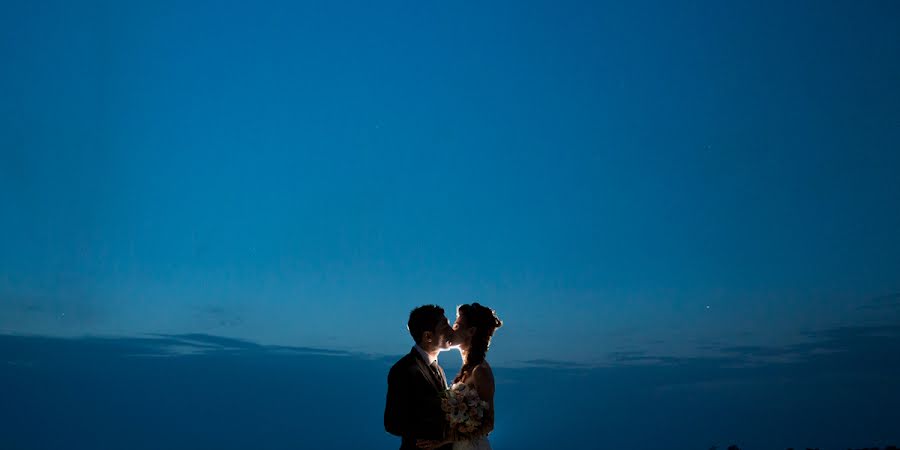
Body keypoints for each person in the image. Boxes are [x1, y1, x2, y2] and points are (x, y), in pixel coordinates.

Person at [417, 303, 502, 450]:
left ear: (471, 331)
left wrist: (446, 439)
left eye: (456, 326)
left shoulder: (480, 371)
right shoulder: (467, 368)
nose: (450, 330)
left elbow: (489, 424)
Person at [384, 305, 455, 450]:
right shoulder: (403, 369)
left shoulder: (439, 369)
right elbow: (392, 423)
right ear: (428, 336)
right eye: (444, 326)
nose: (451, 330)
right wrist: (433, 433)